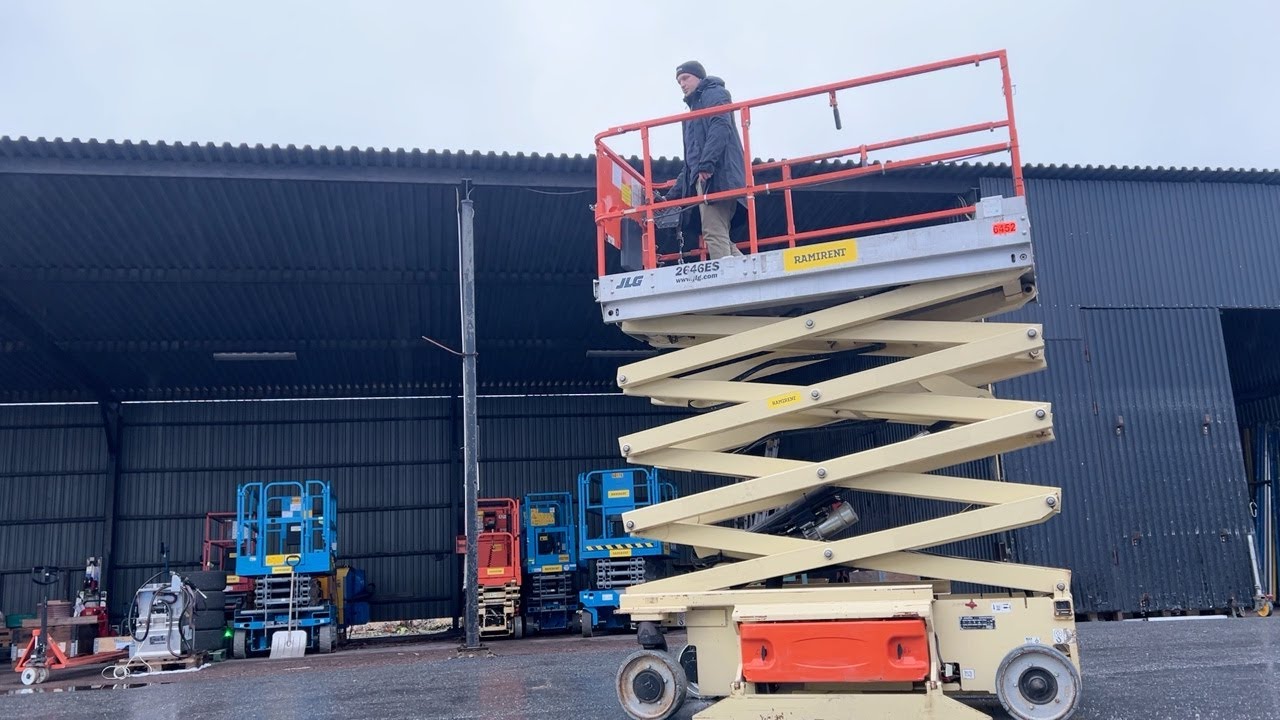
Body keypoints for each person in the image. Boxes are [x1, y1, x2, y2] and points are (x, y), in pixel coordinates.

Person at [661, 60, 747, 260]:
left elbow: (720, 125)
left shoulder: (713, 93)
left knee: (713, 232)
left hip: (717, 177)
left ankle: (728, 275)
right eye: (679, 81)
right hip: (710, 176)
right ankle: (745, 267)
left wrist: (707, 163)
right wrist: (670, 197)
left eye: (685, 78)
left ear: (699, 77)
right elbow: (690, 164)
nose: (682, 84)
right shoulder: (694, 112)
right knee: (717, 232)